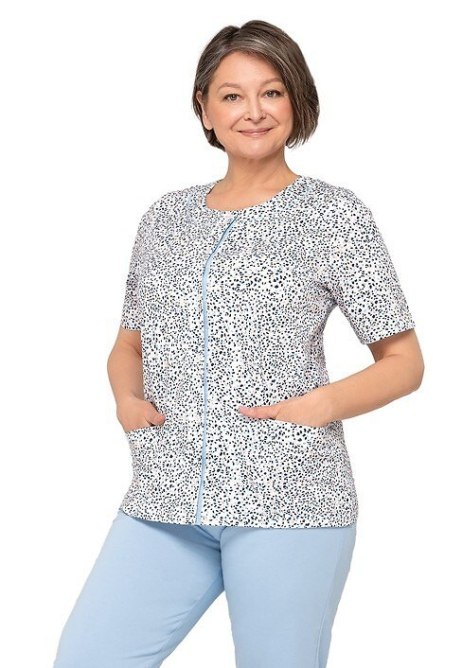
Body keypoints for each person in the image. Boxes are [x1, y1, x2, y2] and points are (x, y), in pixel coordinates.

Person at [52, 19, 424, 668]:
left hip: (289, 500)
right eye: (232, 95)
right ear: (204, 108)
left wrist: (316, 406)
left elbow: (404, 363)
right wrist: (126, 402)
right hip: (164, 497)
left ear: (297, 100)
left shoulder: (334, 215)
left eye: (272, 92)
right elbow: (128, 345)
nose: (253, 111)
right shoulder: (165, 218)